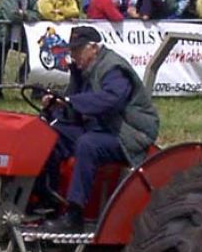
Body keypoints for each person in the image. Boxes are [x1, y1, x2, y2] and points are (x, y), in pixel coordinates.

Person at [38, 26, 159, 232]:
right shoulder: (83, 70)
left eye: (77, 50)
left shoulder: (113, 68)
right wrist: (57, 105)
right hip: (102, 127)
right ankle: (49, 199)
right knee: (49, 135)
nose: (73, 55)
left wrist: (71, 101)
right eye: (71, 50)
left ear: (93, 48)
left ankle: (74, 214)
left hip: (128, 133)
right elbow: (75, 104)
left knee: (88, 145)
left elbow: (111, 100)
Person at [0, 0, 39, 99]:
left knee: (33, 54)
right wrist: (25, 16)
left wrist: (24, 13)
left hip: (20, 35)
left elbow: (37, 15)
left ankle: (21, 77)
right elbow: (11, 15)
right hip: (3, 35)